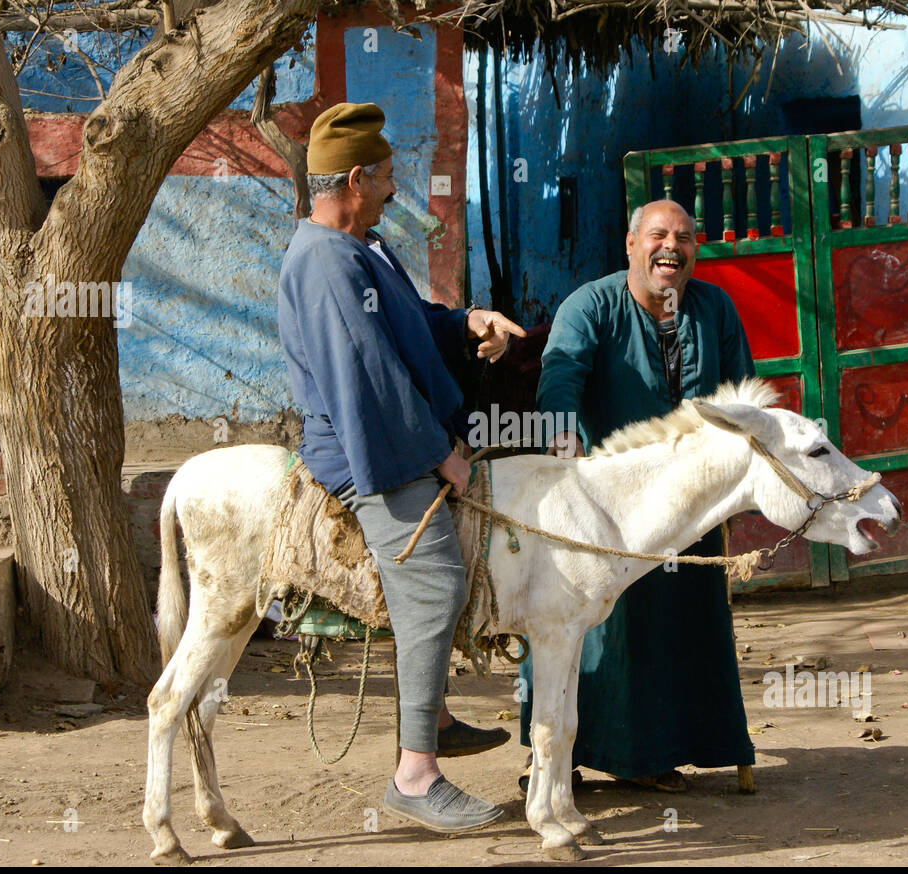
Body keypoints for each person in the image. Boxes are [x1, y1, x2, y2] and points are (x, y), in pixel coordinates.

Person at [277, 102, 526, 831]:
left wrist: (465, 320)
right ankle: (415, 777)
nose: (394, 189)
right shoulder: (324, 260)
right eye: (386, 177)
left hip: (391, 431)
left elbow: (406, 325)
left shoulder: (363, 246)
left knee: (447, 578)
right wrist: (440, 455)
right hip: (368, 448)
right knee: (436, 585)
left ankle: (437, 716)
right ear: (356, 178)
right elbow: (368, 377)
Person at [522, 199, 756, 792]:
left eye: (683, 237)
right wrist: (560, 432)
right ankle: (557, 757)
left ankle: (655, 753)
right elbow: (561, 375)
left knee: (680, 624)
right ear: (631, 245)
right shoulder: (590, 305)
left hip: (690, 508)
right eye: (657, 235)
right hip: (608, 510)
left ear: (695, 251)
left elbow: (742, 396)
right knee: (593, 629)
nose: (670, 247)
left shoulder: (715, 308)